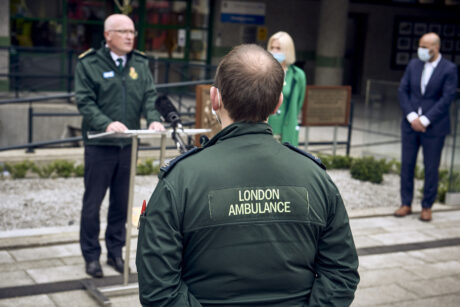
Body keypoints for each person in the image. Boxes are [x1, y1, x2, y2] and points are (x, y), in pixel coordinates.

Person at [136, 44, 359, 306]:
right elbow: (341, 274)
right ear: (278, 103)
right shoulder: (315, 177)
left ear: (214, 99)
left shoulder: (179, 180)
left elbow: (158, 288)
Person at [75, 14, 165, 278]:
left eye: (132, 31)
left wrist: (153, 119)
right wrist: (105, 123)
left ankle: (116, 252)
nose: (129, 36)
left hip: (128, 146)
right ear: (108, 35)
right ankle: (91, 256)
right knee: (92, 205)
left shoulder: (139, 62)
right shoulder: (89, 63)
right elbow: (85, 101)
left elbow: (150, 96)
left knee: (121, 204)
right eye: (123, 31)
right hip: (100, 145)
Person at [395, 32, 458, 222]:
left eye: (425, 46)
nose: (421, 50)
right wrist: (412, 116)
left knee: (431, 168)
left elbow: (447, 98)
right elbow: (402, 90)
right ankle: (406, 203)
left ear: (436, 47)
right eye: (420, 46)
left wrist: (425, 120)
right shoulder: (414, 65)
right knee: (407, 165)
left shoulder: (449, 69)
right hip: (410, 124)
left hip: (434, 127)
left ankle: (427, 206)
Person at [267, 31, 306, 146]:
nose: (274, 51)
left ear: (287, 51)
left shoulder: (298, 75)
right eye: (272, 47)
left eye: (278, 48)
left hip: (286, 128)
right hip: (265, 128)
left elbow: (299, 103)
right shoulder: (263, 71)